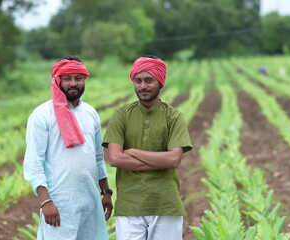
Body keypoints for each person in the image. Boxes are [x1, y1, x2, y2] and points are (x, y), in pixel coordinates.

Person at [102, 55, 193, 240]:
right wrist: (161, 161)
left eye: (149, 80)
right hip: (129, 204)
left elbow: (174, 159)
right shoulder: (121, 115)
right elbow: (115, 159)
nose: (143, 86)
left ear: (160, 83)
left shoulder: (174, 117)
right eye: (138, 81)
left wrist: (133, 152)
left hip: (165, 204)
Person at [23, 55, 112, 240]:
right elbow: (34, 163)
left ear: (84, 80)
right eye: (67, 78)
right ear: (57, 81)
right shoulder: (41, 115)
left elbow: (97, 157)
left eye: (78, 78)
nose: (73, 83)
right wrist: (46, 202)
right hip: (59, 201)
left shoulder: (90, 113)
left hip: (90, 199)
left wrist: (106, 192)